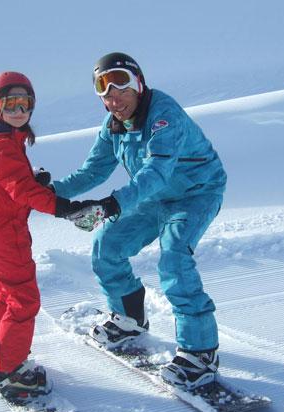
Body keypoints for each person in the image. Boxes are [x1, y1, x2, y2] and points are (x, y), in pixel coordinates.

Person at [53, 52, 227, 390]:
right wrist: (44, 191)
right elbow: (91, 171)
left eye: (122, 85)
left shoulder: (164, 116)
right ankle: (129, 318)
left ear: (139, 84)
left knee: (175, 255)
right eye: (104, 89)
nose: (114, 96)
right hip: (154, 197)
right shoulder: (113, 126)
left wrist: (112, 204)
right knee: (108, 244)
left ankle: (201, 353)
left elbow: (156, 173)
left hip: (196, 193)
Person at [0, 71, 78, 400]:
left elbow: (15, 184)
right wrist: (63, 207)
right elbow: (21, 190)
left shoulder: (4, 141)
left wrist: (34, 180)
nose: (18, 110)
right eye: (9, 103)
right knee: (25, 299)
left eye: (24, 103)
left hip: (0, 228)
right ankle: (8, 370)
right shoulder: (1, 147)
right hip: (5, 230)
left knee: (10, 290)